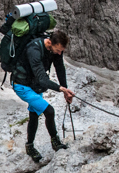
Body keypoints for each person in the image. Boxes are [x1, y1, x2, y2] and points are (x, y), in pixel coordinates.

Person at [11, 30, 74, 162]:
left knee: (34, 115)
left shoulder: (54, 49)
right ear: (50, 42)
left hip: (33, 85)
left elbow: (59, 67)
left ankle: (29, 146)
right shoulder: (34, 50)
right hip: (22, 86)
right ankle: (55, 143)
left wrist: (66, 90)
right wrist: (60, 89)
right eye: (58, 50)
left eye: (61, 51)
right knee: (49, 111)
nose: (59, 53)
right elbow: (41, 78)